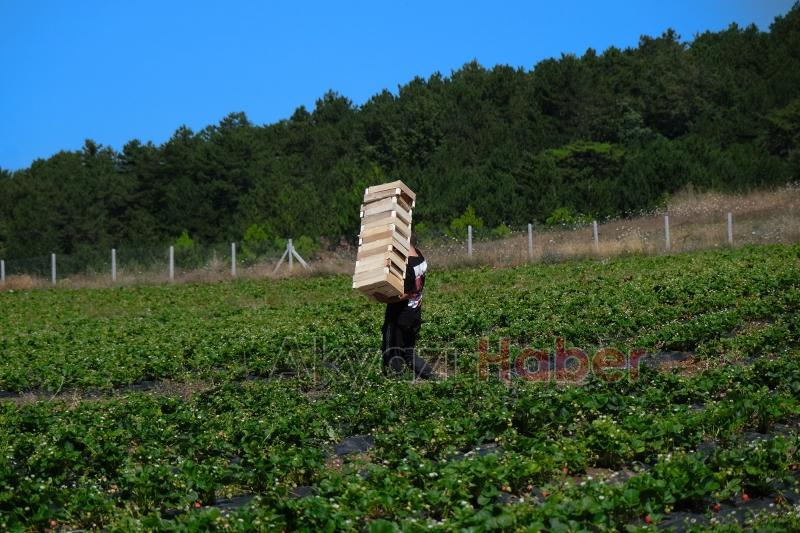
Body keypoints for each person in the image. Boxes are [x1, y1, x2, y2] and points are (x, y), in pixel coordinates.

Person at [374, 233, 435, 380]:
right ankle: (431, 376)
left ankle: (396, 384)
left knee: (392, 352)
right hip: (414, 314)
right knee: (408, 353)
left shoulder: (407, 267)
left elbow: (403, 295)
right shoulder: (419, 256)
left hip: (399, 317)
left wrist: (382, 298)